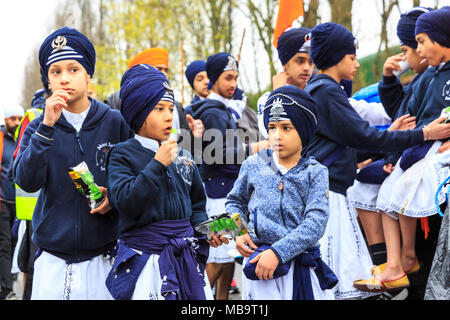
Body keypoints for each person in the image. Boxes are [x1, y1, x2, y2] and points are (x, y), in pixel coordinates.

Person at [303, 22, 450, 299]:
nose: (357, 65)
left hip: (327, 190)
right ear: (337, 58)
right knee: (336, 277)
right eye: (352, 57)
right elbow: (365, 137)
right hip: (328, 196)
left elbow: (348, 144)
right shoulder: (327, 92)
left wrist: (389, 136)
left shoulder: (319, 89)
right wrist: (425, 133)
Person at [13, 26, 133, 300]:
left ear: (88, 74)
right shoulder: (37, 127)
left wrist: (113, 197)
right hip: (53, 261)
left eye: (74, 69)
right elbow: (27, 182)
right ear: (48, 81)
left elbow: (136, 179)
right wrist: (47, 127)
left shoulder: (115, 122)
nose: (65, 78)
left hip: (105, 256)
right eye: (56, 72)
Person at [105, 63, 228, 300]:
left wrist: (208, 231)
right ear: (138, 113)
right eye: (159, 109)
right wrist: (157, 165)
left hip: (184, 260)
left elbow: (196, 207)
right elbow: (126, 202)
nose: (168, 116)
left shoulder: (184, 156)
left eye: (170, 108)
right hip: (145, 262)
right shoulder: (121, 154)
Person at [354, 6, 450, 293]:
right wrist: (396, 155)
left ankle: (404, 259)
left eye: (421, 42)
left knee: (404, 189)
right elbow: (408, 117)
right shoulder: (426, 78)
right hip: (420, 148)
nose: (418, 51)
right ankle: (398, 261)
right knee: (387, 195)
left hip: (437, 151)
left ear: (441, 38)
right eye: (415, 44)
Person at [225, 84, 337, 300]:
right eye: (272, 127)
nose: (277, 135)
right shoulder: (253, 165)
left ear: (303, 131)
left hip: (300, 268)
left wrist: (278, 253)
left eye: (287, 128)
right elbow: (234, 202)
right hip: (260, 269)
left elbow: (316, 222)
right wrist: (239, 231)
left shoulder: (316, 172)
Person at [257, 27, 314, 139]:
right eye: (300, 61)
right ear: (285, 63)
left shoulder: (318, 93)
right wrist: (278, 95)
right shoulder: (266, 99)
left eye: (311, 62)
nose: (307, 68)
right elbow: (269, 133)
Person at [0, 104, 24, 300]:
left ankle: (7, 277)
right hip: (1, 202)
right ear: (5, 119)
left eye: (19, 119)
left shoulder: (20, 139)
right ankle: (7, 290)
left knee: (14, 243)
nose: (16, 122)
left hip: (17, 203)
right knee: (5, 245)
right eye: (12, 119)